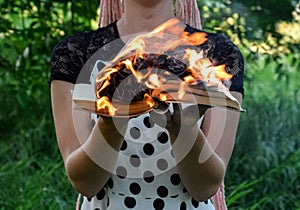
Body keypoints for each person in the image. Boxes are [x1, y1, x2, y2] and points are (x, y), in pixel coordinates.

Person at [49, 0, 244, 209]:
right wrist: (113, 120)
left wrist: (183, 127)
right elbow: (85, 183)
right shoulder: (76, 53)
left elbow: (204, 187)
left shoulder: (218, 57)